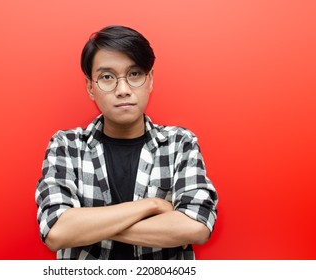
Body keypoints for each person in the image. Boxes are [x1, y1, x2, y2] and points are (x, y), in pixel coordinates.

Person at [35, 25, 218, 260]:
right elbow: (57, 231)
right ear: (90, 87)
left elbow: (197, 226)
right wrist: (152, 206)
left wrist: (86, 226)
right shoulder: (67, 146)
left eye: (134, 74)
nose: (123, 90)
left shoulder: (179, 144)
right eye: (107, 77)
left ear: (150, 80)